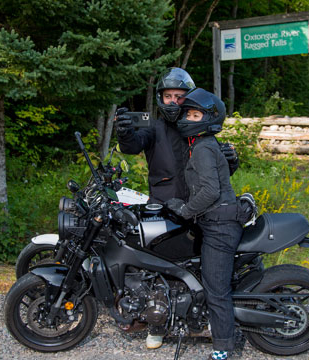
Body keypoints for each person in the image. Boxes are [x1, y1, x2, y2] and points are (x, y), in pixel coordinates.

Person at [165, 88, 242, 360]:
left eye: (195, 114)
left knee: (216, 288)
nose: (188, 117)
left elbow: (210, 192)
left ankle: (223, 348)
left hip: (220, 225)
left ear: (209, 119)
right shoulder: (201, 144)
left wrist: (185, 211)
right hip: (214, 219)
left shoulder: (203, 148)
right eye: (188, 113)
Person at [115, 67, 239, 205]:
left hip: (198, 208)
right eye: (168, 96)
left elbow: (219, 173)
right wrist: (125, 132)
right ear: (161, 97)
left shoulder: (200, 128)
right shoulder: (154, 128)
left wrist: (231, 159)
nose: (173, 101)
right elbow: (132, 146)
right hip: (164, 207)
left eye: (178, 97)